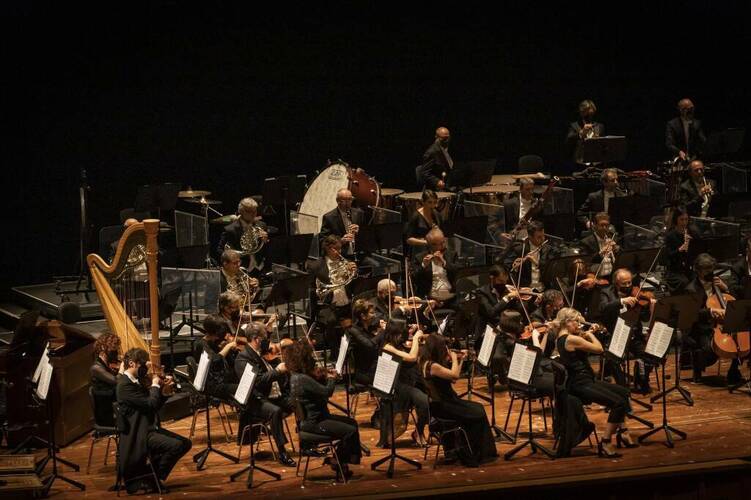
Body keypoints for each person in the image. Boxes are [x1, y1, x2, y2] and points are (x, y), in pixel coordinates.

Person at [555, 308, 635, 458]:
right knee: (618, 403)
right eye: (577, 322)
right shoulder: (572, 339)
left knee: (623, 393)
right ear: (568, 322)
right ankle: (605, 442)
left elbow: (579, 347)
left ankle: (623, 432)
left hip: (583, 380)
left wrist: (584, 334)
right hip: (580, 384)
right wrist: (591, 334)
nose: (579, 325)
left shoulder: (561, 337)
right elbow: (599, 349)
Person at [116, 348, 191, 494]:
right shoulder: (124, 385)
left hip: (148, 428)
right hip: (139, 434)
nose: (145, 369)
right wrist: (155, 385)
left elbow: (152, 406)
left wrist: (163, 390)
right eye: (142, 365)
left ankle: (150, 476)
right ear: (132, 363)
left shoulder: (136, 381)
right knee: (176, 445)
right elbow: (150, 404)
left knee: (185, 443)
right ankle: (150, 478)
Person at [419, 334, 498, 467]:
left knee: (478, 408)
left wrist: (461, 361)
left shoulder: (426, 361)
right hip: (442, 406)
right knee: (477, 412)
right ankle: (472, 453)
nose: (447, 350)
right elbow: (455, 374)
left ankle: (482, 452)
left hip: (447, 401)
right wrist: (455, 358)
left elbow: (453, 379)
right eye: (444, 348)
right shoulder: (432, 366)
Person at [287, 340, 361, 482]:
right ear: (304, 359)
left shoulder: (297, 375)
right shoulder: (302, 379)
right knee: (350, 430)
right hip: (315, 423)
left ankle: (340, 462)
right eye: (309, 356)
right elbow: (326, 392)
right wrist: (332, 378)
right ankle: (339, 462)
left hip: (315, 419)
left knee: (352, 422)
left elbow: (315, 390)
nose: (313, 359)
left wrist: (323, 376)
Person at [233, 323, 296, 466]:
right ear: (257, 339)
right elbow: (258, 382)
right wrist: (277, 371)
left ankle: (307, 444)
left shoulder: (259, 353)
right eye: (264, 338)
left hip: (272, 396)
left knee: (298, 401)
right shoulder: (242, 359)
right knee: (275, 411)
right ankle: (282, 453)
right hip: (255, 401)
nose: (268, 341)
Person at [598, 268, 655, 392]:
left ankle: (640, 378)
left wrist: (648, 307)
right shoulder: (606, 293)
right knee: (612, 358)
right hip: (615, 335)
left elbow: (645, 318)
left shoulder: (636, 293)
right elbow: (603, 309)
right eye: (624, 283)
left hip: (634, 335)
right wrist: (621, 301)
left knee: (650, 355)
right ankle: (622, 388)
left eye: (629, 282)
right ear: (616, 283)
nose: (628, 285)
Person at [685, 253, 737, 383]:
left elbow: (733, 303)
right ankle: (698, 369)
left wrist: (726, 289)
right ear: (698, 271)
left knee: (740, 338)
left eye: (711, 269)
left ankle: (734, 370)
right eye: (706, 270)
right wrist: (711, 311)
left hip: (720, 324)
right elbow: (693, 313)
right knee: (709, 349)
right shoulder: (691, 289)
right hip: (702, 327)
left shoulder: (717, 283)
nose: (710, 273)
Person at [308, 235, 357, 359]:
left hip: (346, 302)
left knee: (360, 314)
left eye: (340, 248)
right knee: (331, 321)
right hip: (327, 304)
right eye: (336, 249)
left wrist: (354, 272)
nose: (339, 252)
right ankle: (335, 353)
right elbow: (311, 289)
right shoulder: (316, 265)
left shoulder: (344, 262)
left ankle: (353, 351)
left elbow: (353, 282)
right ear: (328, 249)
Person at [380, 319, 429, 446]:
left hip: (410, 381)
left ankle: (419, 431)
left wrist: (412, 333)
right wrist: (416, 339)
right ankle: (418, 431)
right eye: (402, 333)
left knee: (433, 395)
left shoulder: (399, 343)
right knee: (424, 401)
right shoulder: (388, 347)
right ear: (395, 334)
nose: (404, 336)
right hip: (398, 385)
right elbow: (411, 357)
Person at [217, 197, 269, 275]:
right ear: (241, 211)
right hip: (240, 269)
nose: (253, 214)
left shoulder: (262, 225)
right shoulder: (230, 229)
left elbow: (266, 250)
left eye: (255, 211)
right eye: (249, 211)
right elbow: (220, 250)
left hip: (259, 268)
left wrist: (265, 241)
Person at [193, 315, 240, 400]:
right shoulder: (201, 344)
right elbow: (214, 361)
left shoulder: (213, 342)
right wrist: (227, 347)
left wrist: (229, 350)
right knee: (243, 390)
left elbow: (231, 361)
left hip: (223, 380)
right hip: (214, 385)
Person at [412, 228, 459, 309]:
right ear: (428, 244)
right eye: (435, 244)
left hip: (452, 300)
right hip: (430, 301)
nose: (439, 247)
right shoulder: (419, 258)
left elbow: (458, 274)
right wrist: (423, 265)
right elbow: (415, 280)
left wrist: (444, 262)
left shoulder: (452, 255)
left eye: (442, 243)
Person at [503, 220, 551, 291]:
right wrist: (515, 267)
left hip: (544, 289)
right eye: (539, 237)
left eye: (543, 235)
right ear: (530, 237)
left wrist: (536, 262)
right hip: (526, 289)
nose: (543, 239)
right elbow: (507, 267)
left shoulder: (547, 249)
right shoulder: (519, 249)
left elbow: (551, 271)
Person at [319, 188, 365, 258]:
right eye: (344, 200)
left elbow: (368, 236)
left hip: (359, 254)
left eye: (350, 200)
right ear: (338, 201)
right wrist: (340, 241)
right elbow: (323, 240)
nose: (348, 203)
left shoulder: (359, 213)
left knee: (377, 265)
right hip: (339, 255)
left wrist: (359, 231)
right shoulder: (329, 217)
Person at [663, 206, 698, 294]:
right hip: (674, 270)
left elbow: (695, 253)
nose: (684, 222)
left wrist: (691, 244)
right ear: (676, 220)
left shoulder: (691, 233)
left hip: (687, 268)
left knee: (698, 279)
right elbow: (667, 257)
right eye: (681, 219)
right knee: (684, 282)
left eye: (686, 219)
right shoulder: (670, 236)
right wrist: (680, 249)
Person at [90, 332, 122, 427]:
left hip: (112, 403)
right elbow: (116, 381)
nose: (116, 351)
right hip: (106, 411)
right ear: (103, 348)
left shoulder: (109, 364)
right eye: (113, 348)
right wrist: (122, 369)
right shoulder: (96, 368)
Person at [579, 212, 620, 282]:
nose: (604, 228)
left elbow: (621, 258)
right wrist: (600, 253)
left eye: (607, 225)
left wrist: (616, 249)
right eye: (602, 225)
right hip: (596, 276)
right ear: (595, 226)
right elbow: (586, 262)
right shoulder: (586, 242)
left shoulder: (613, 237)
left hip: (613, 276)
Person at [566, 100, 605, 164]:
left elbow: (604, 146)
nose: (589, 117)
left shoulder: (600, 126)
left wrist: (598, 140)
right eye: (587, 114)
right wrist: (581, 133)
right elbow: (568, 142)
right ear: (581, 113)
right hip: (579, 164)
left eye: (591, 114)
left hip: (597, 164)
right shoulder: (574, 126)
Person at [417, 127, 453, 191]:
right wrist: (437, 181)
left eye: (448, 138)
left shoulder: (446, 148)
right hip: (435, 189)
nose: (447, 141)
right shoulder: (431, 152)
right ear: (436, 137)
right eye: (444, 138)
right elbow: (424, 172)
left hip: (447, 185)